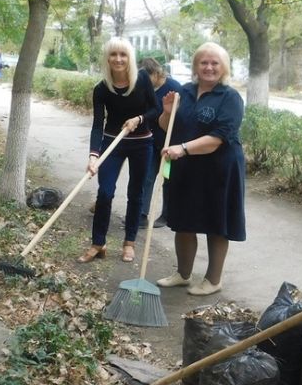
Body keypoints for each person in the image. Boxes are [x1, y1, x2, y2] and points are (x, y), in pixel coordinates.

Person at [154, 42, 246, 296]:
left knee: (216, 223)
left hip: (219, 169)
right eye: (203, 62)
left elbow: (217, 139)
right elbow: (166, 126)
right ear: (195, 66)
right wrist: (167, 112)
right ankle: (183, 274)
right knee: (183, 221)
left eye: (214, 63)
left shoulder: (230, 98)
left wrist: (181, 149)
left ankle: (213, 279)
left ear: (223, 67)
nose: (208, 67)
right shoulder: (184, 91)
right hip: (187, 168)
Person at [77, 37, 159, 264]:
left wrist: (139, 118)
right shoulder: (101, 89)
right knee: (105, 192)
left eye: (123, 54)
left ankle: (129, 243)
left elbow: (155, 109)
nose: (118, 59)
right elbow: (97, 125)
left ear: (129, 58)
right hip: (112, 143)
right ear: (107, 58)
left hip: (142, 143)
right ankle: (98, 243)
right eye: (113, 54)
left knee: (136, 193)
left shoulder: (142, 80)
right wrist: (94, 155)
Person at [138, 57, 183, 229]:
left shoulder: (174, 88)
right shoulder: (144, 88)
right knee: (146, 177)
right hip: (150, 141)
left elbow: (180, 117)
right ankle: (141, 215)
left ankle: (166, 215)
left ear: (156, 74)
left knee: (167, 178)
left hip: (170, 144)